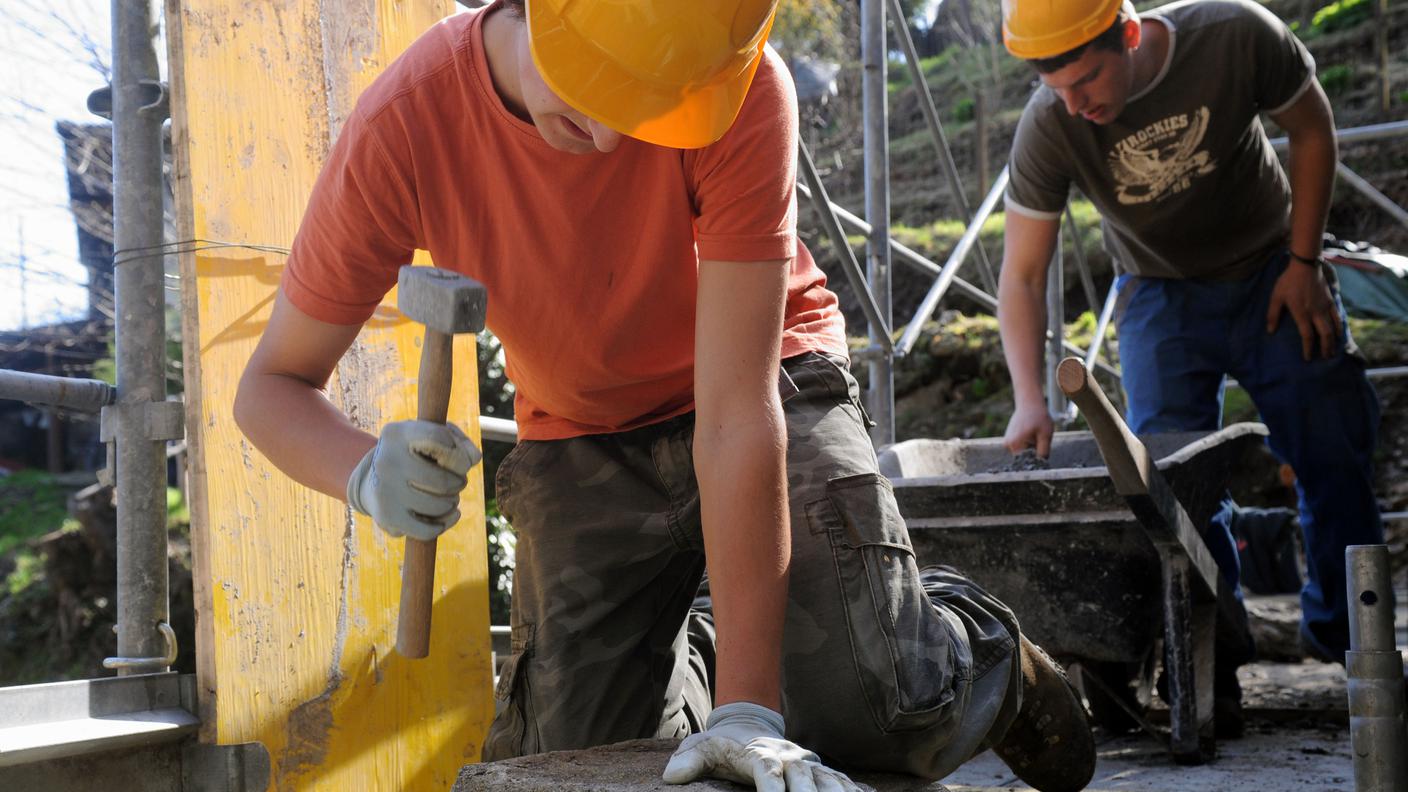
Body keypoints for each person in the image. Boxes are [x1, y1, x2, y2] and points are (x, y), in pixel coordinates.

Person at [235, 1, 1096, 790]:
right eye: (595, 90)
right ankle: (718, 639)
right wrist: (363, 473)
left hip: (768, 380)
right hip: (580, 429)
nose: (610, 139)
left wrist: (751, 712)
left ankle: (982, 652)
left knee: (885, 715)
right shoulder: (406, 124)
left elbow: (732, 412)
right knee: (574, 762)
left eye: (644, 107)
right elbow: (270, 389)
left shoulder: (742, 87)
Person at [996, 0, 1384, 727]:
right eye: (1059, 91)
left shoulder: (1235, 36)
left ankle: (1352, 645)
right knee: (1174, 488)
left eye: (1087, 81)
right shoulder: (1051, 123)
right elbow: (1020, 275)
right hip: (1159, 295)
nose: (1077, 107)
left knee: (1331, 444)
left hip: (1275, 269)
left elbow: (1311, 126)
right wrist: (1027, 397)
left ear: (1131, 36)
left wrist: (1305, 263)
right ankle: (1212, 667)